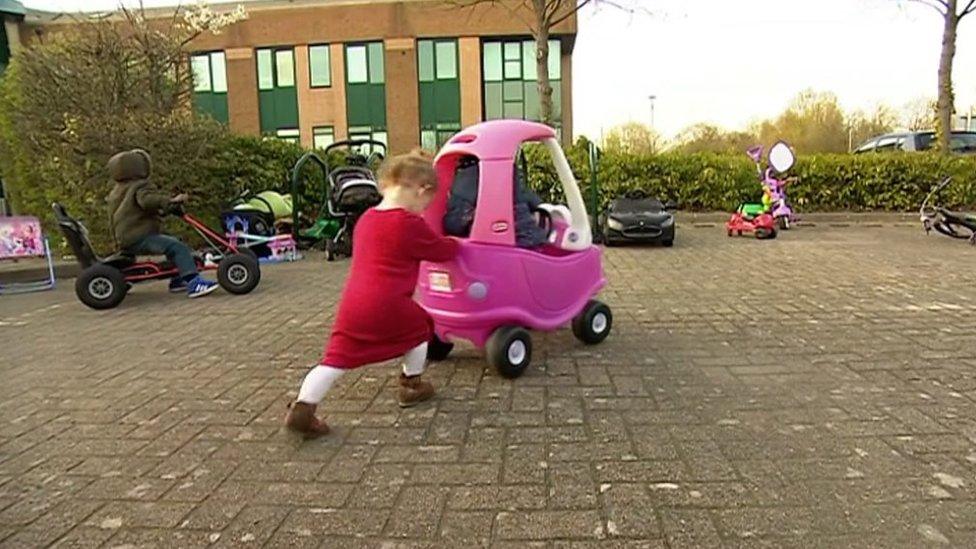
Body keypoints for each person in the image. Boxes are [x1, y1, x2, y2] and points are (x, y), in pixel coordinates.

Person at [285, 149, 459, 439]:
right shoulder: (409, 224)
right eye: (427, 202)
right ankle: (411, 385)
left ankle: (303, 408)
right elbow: (443, 251)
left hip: (353, 305)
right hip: (389, 305)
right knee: (420, 329)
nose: (425, 209)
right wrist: (461, 243)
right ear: (421, 190)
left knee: (335, 359)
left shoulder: (366, 219)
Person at [105, 149, 218, 298]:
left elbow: (138, 209)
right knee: (177, 247)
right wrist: (169, 201)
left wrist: (167, 208)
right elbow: (148, 201)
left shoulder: (118, 190)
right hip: (140, 236)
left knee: (173, 242)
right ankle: (194, 283)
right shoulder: (140, 186)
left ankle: (178, 279)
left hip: (126, 236)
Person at [443, 155, 548, 248]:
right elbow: (534, 201)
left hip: (489, 248)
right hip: (528, 241)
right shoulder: (509, 171)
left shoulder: (465, 181)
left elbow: (454, 226)